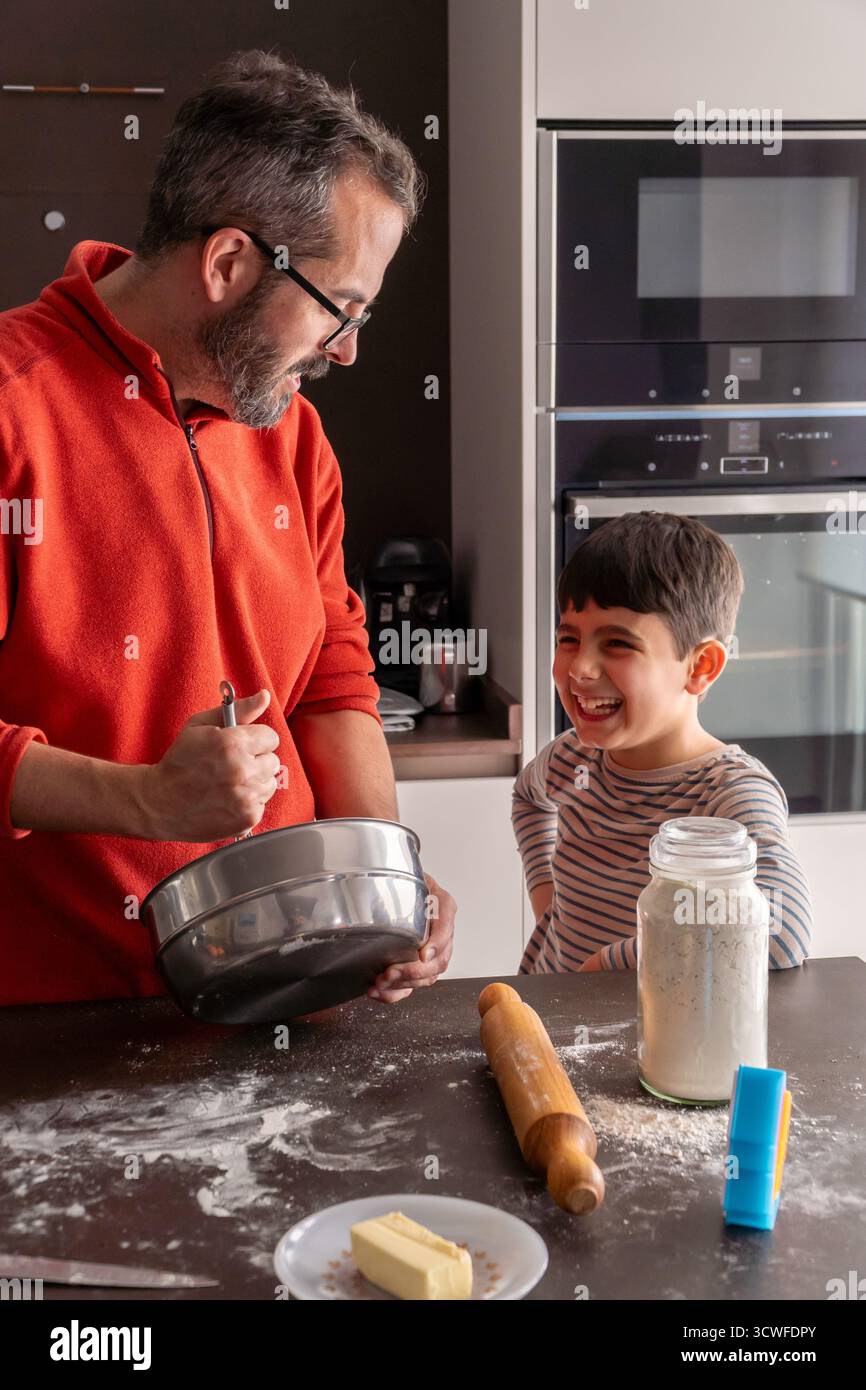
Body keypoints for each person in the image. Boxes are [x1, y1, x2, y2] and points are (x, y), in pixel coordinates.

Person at [0, 50, 455, 1005]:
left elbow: (332, 677)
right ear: (228, 263)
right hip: (59, 1033)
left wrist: (385, 879)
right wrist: (146, 801)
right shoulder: (12, 409)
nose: (351, 350)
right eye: (342, 310)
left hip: (288, 993)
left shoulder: (291, 435)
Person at [512, 511, 812, 973]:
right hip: (556, 1026)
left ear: (701, 667)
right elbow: (528, 798)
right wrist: (546, 897)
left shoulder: (728, 795)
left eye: (617, 644)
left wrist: (611, 964)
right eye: (569, 638)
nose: (580, 669)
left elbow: (779, 933)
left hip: (655, 1044)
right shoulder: (570, 758)